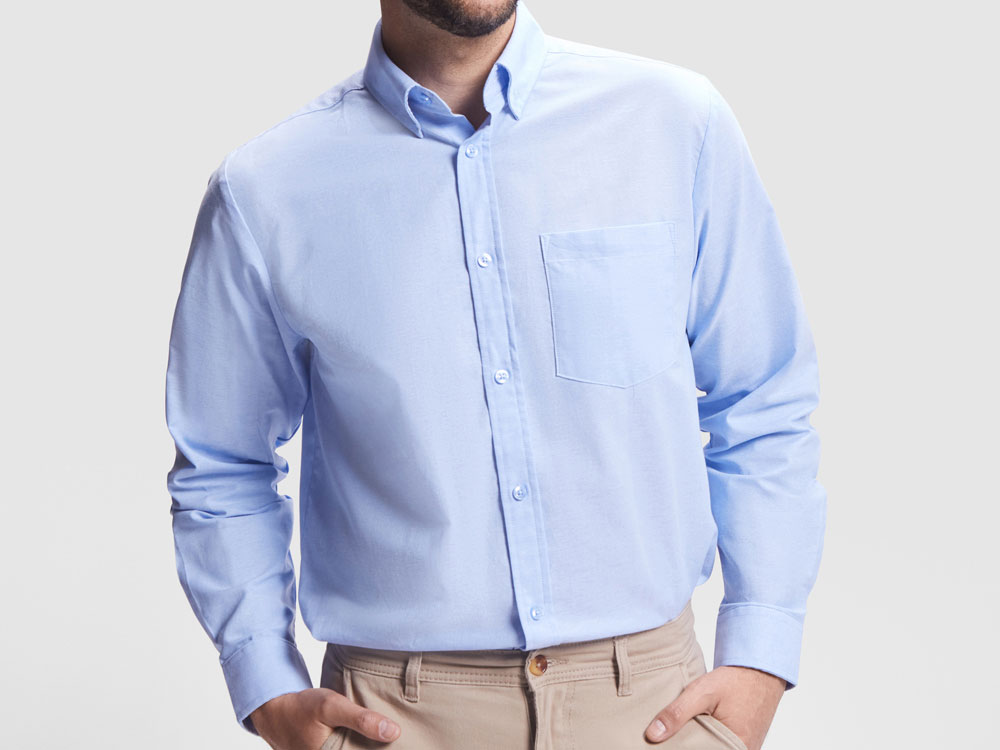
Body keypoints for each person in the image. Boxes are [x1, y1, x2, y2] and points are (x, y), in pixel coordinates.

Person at [164, 1, 826, 748]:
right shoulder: (266, 189)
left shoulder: (673, 123)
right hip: (398, 717)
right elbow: (222, 462)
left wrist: (762, 653)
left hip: (650, 707)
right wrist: (267, 684)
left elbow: (761, 397)